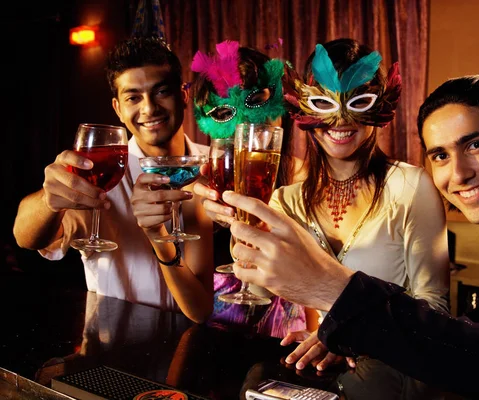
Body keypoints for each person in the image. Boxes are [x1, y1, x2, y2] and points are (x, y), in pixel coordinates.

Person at [222, 74, 479, 397]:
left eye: (475, 144)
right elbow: (478, 341)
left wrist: (339, 292)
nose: (459, 173)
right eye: (440, 156)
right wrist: (350, 332)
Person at [196, 38, 450, 371]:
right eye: (323, 102)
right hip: (304, 378)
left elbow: (435, 312)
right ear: (300, 106)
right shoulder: (286, 200)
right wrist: (238, 223)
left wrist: (352, 332)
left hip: (389, 378)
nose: (340, 121)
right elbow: (256, 290)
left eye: (358, 100)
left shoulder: (410, 187)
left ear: (381, 104)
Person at [13, 36, 214, 323]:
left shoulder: (212, 167)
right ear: (118, 109)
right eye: (133, 97)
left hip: (196, 347)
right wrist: (49, 201)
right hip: (113, 350)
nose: (149, 109)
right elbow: (25, 237)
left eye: (161, 92)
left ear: (183, 95)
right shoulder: (99, 172)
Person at [186, 40, 306, 338]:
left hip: (288, 345)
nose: (247, 126)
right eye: (226, 113)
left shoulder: (304, 178)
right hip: (215, 345)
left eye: (257, 102)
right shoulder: (206, 184)